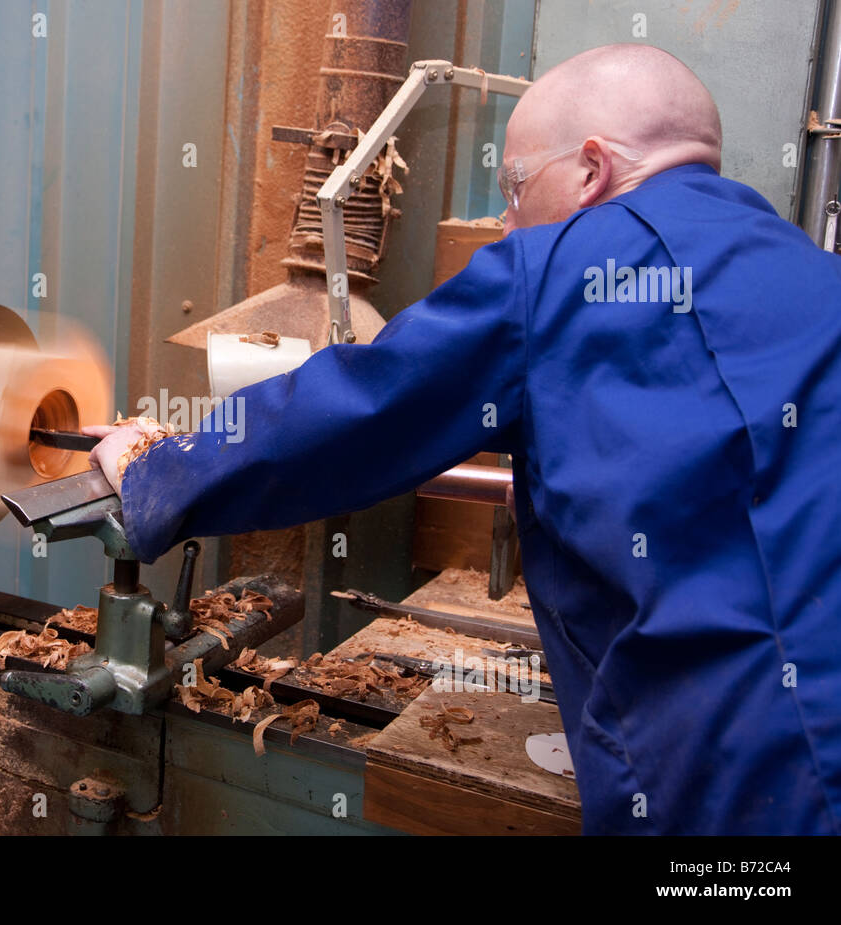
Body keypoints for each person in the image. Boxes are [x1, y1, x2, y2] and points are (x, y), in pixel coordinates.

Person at [83, 43, 841, 835]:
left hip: (742, 786)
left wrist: (157, 470)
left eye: (513, 189)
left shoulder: (554, 270)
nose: (508, 223)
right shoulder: (820, 278)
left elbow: (361, 409)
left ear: (591, 169)